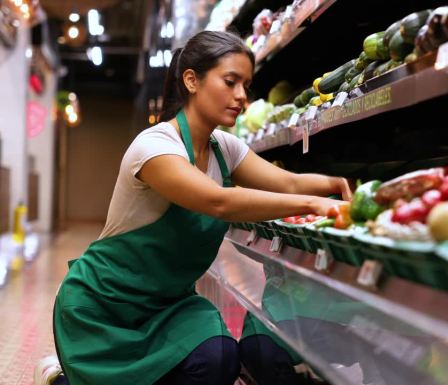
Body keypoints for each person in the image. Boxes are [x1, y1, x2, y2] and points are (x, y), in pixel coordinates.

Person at [34, 30, 351, 385]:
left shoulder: (224, 148)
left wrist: (334, 185)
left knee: (218, 358)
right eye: (230, 82)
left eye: (246, 84)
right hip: (106, 309)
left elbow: (288, 183)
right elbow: (219, 201)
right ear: (191, 81)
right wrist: (314, 204)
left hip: (169, 306)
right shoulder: (154, 147)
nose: (241, 96)